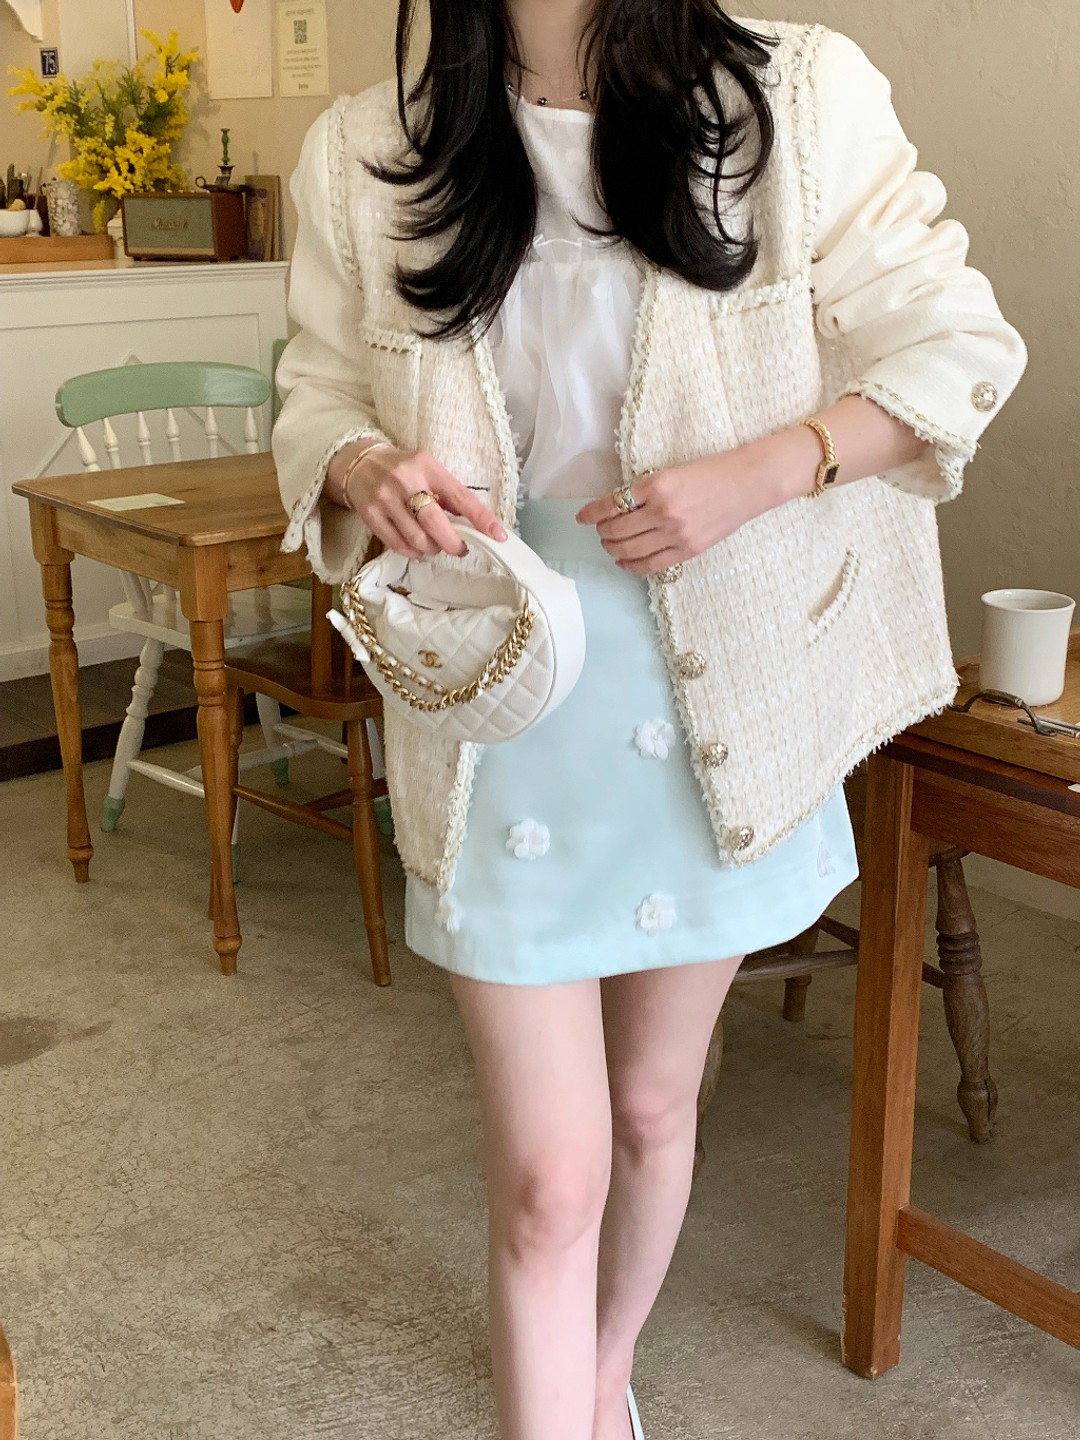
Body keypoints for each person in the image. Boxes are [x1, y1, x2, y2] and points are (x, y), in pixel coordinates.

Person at [273, 3, 1026, 1436]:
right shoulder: (367, 147)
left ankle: (604, 1372)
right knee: (549, 1175)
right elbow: (312, 388)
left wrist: (768, 469)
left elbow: (956, 348)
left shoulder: (799, 98)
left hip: (724, 691)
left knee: (651, 1110)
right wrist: (361, 461)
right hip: (500, 706)